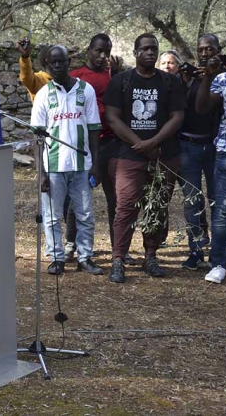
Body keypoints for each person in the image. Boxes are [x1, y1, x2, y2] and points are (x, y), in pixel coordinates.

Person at [104, 33, 186, 283]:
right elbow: (112, 118)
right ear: (136, 52)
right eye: (145, 49)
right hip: (129, 156)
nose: (151, 53)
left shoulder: (170, 82)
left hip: (164, 155)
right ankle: (118, 259)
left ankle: (151, 255)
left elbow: (177, 117)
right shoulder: (121, 81)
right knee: (126, 208)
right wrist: (139, 143)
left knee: (158, 207)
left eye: (154, 49)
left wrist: (154, 142)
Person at [64, 33, 139, 266]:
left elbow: (124, 106)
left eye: (107, 51)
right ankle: (70, 243)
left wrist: (117, 79)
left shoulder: (116, 76)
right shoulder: (75, 77)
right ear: (89, 50)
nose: (103, 56)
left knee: (115, 197)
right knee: (79, 197)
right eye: (99, 51)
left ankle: (120, 248)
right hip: (84, 145)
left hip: (112, 143)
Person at [30, 45, 102, 275]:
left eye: (62, 61)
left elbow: (93, 130)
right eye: (53, 63)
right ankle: (57, 258)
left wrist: (96, 165)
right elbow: (37, 138)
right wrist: (40, 172)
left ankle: (85, 257)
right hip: (53, 166)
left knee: (85, 215)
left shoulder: (86, 90)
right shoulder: (43, 95)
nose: (58, 66)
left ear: (68, 62)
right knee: (51, 217)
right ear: (47, 66)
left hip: (82, 166)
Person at [177, 35, 222, 270]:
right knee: (192, 202)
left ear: (218, 51)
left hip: (215, 147)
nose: (204, 53)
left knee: (218, 201)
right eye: (200, 49)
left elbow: (207, 108)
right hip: (188, 147)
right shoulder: (191, 77)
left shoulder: (223, 78)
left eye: (209, 49)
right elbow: (182, 108)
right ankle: (195, 251)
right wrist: (184, 80)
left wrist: (212, 75)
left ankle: (218, 252)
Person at [195, 39, 226, 284]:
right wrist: (208, 77)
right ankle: (219, 263)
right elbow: (201, 109)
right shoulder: (225, 80)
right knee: (224, 210)